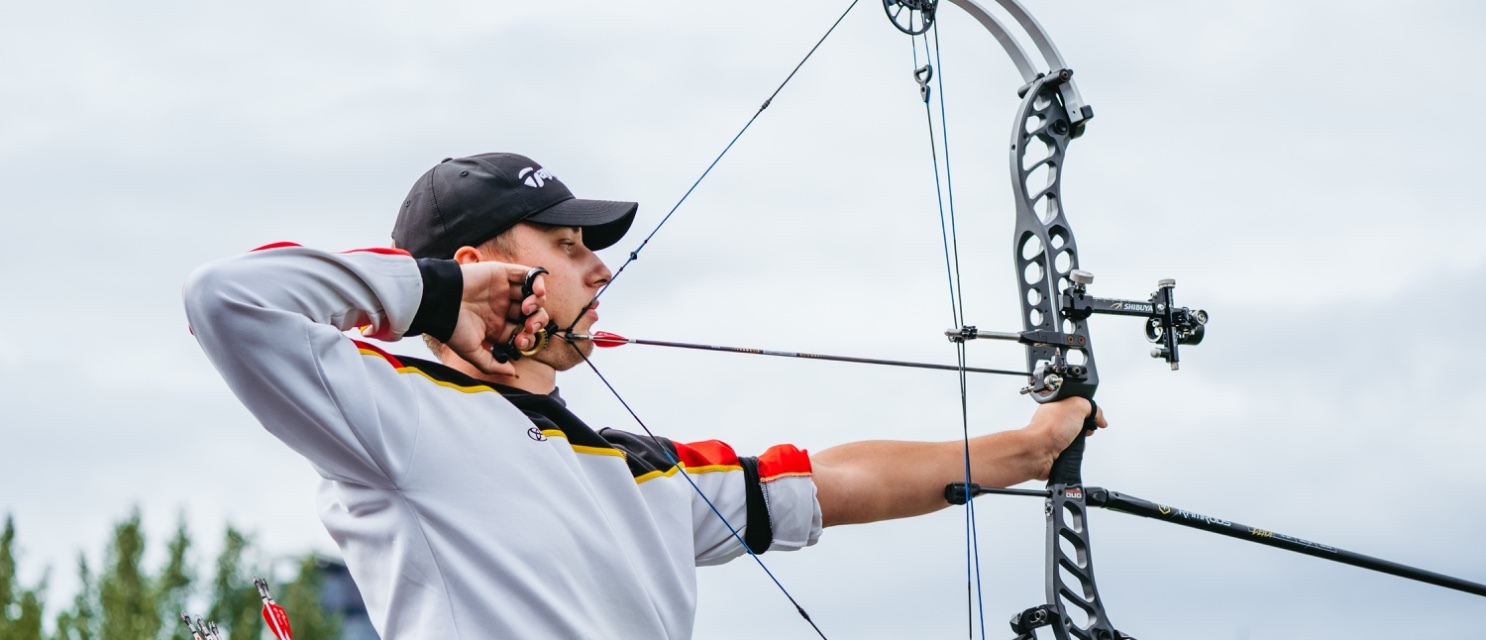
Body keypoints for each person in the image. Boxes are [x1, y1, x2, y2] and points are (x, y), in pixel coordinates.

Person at [183, 152, 1107, 639]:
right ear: (482, 266)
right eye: (567, 246)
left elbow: (829, 483)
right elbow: (226, 299)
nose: (601, 268)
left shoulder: (639, 472)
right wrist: (433, 293)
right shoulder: (394, 414)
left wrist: (1024, 450)